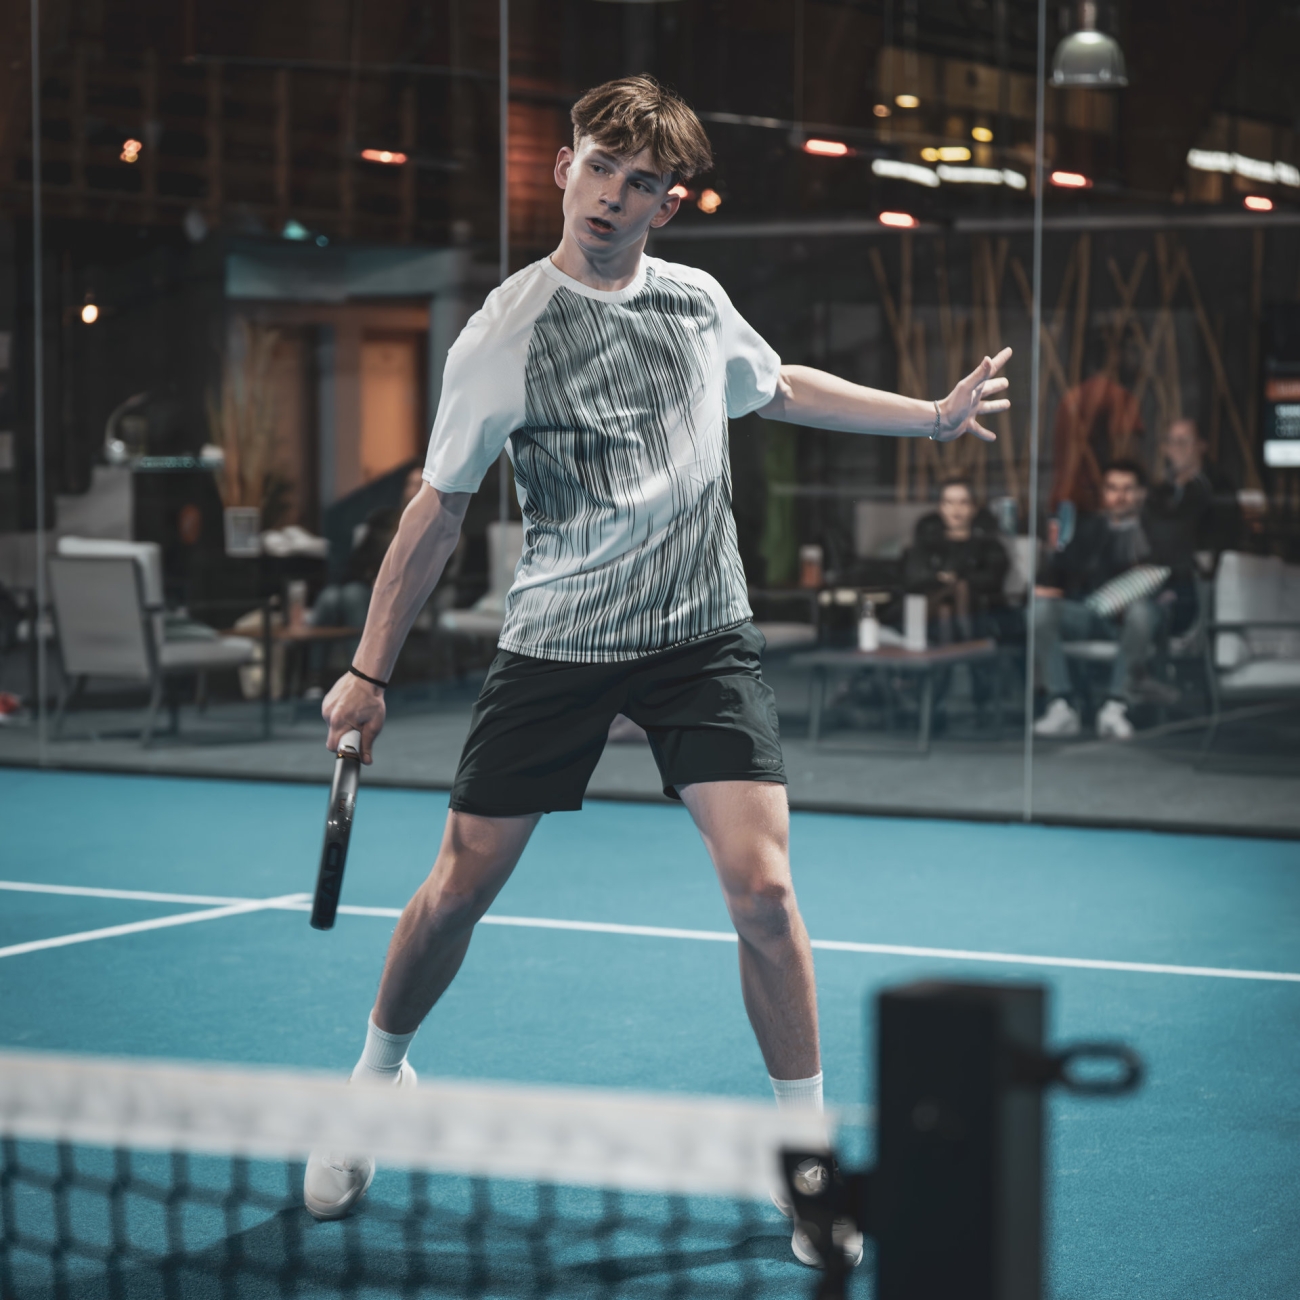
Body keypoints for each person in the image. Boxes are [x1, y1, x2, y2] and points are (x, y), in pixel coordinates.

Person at [305, 75, 1012, 1269]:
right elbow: (437, 510)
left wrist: (929, 419)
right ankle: (374, 1080)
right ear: (563, 168)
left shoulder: (694, 304)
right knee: (459, 887)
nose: (611, 196)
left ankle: (806, 1166)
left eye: (640, 183)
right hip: (559, 638)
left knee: (764, 892)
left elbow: (776, 385)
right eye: (598, 167)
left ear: (667, 205)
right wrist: (367, 673)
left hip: (699, 636)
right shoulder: (504, 332)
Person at [1033, 459, 1177, 741]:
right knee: (1039, 611)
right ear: (1104, 493)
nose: (1119, 496)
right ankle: (1061, 705)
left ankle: (1116, 706)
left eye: (1127, 489)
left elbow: (1177, 575)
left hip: (1137, 618)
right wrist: (1046, 587)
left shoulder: (1157, 531)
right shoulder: (1089, 528)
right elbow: (1059, 569)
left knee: (1141, 612)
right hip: (1092, 613)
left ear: (1141, 493)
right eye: (1112, 488)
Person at [903, 476, 1009, 644]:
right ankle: (963, 645)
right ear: (941, 507)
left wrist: (961, 579)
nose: (956, 509)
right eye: (949, 502)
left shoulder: (988, 544)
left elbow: (994, 578)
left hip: (977, 610)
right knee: (948, 601)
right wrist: (942, 580)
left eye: (963, 502)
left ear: (973, 507)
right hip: (929, 609)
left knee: (950, 603)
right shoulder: (926, 541)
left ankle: (958, 647)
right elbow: (913, 577)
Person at [1146, 417, 1242, 561]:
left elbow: (1223, 535)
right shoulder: (1160, 490)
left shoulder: (1217, 486)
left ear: (1201, 445)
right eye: (1171, 441)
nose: (1177, 447)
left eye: (1184, 441)